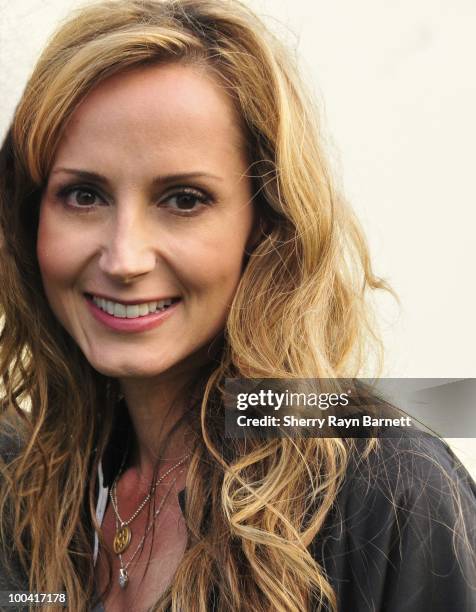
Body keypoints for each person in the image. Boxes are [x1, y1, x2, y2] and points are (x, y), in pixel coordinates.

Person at [0, 1, 474, 611]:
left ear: (265, 224)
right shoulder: (24, 488)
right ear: (30, 215)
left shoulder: (388, 494)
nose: (123, 259)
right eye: (83, 194)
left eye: (184, 199)